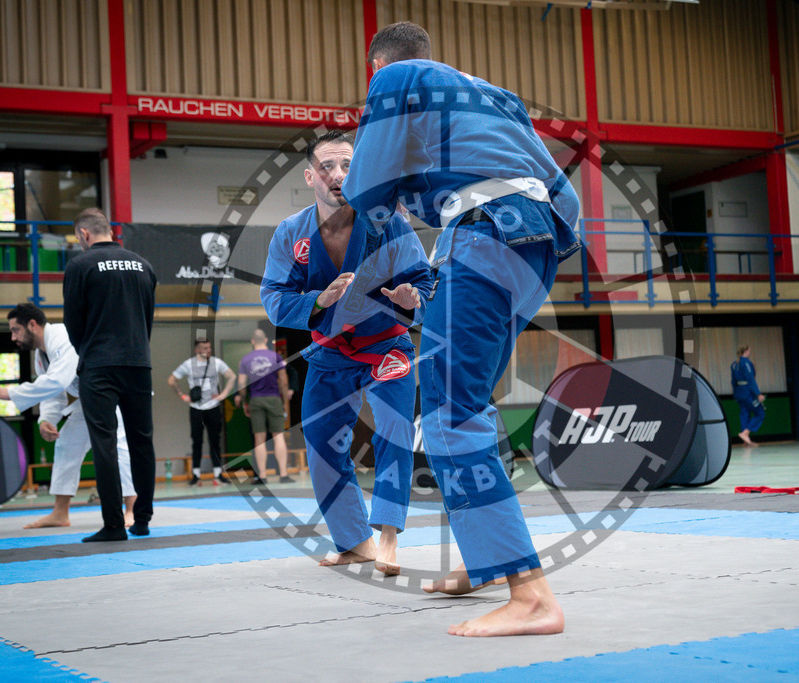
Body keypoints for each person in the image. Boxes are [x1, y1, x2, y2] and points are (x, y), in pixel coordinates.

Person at [342, 22, 580, 636]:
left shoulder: (394, 79)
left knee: (448, 413)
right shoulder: (494, 96)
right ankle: (489, 565)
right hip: (537, 240)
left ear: (378, 67)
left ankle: (532, 599)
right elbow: (564, 199)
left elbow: (363, 186)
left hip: (485, 230)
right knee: (468, 404)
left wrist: (377, 213)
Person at [261, 129, 432, 576]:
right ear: (310, 177)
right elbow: (274, 298)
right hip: (329, 352)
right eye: (327, 167)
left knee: (393, 432)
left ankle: (389, 537)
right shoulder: (290, 233)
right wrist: (318, 301)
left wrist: (413, 299)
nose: (338, 175)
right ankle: (356, 541)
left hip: (385, 346)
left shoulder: (388, 222)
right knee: (319, 443)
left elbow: (424, 280)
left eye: (348, 166)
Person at [0, 303, 137, 529]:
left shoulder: (62, 337)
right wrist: (47, 420)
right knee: (66, 445)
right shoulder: (41, 354)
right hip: (90, 399)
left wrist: (12, 392)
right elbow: (53, 393)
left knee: (118, 448)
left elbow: (57, 380)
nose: (12, 337)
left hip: (115, 394)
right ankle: (60, 513)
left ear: (32, 325)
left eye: (15, 330)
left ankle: (131, 511)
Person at [63, 208, 157, 542]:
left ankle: (114, 525)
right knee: (141, 441)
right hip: (138, 361)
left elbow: (73, 321)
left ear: (84, 235)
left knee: (104, 444)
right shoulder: (143, 264)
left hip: (99, 364)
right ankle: (142, 520)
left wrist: (88, 349)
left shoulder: (79, 265)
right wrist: (136, 349)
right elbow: (147, 317)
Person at [168, 340, 236, 486]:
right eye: (205, 348)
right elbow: (171, 380)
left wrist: (224, 394)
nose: (208, 350)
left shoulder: (216, 362)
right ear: (197, 350)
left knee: (215, 441)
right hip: (196, 408)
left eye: (209, 347)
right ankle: (196, 475)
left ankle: (218, 474)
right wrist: (182, 395)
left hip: (213, 406)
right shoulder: (188, 364)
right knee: (196, 441)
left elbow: (232, 376)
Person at [235, 329, 293, 485]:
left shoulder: (245, 359)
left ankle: (262, 476)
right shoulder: (276, 356)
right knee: (278, 436)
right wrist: (285, 404)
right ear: (266, 340)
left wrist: (244, 402)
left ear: (252, 342)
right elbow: (283, 381)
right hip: (274, 398)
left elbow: (241, 384)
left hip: (256, 399)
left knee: (259, 439)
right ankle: (283, 474)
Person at [731, 345, 765, 446]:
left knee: (745, 413)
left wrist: (735, 394)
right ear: (746, 351)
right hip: (747, 393)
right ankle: (745, 433)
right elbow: (750, 379)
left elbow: (733, 381)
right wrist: (758, 394)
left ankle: (745, 441)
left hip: (739, 393)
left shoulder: (734, 364)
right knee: (760, 413)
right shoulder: (746, 363)